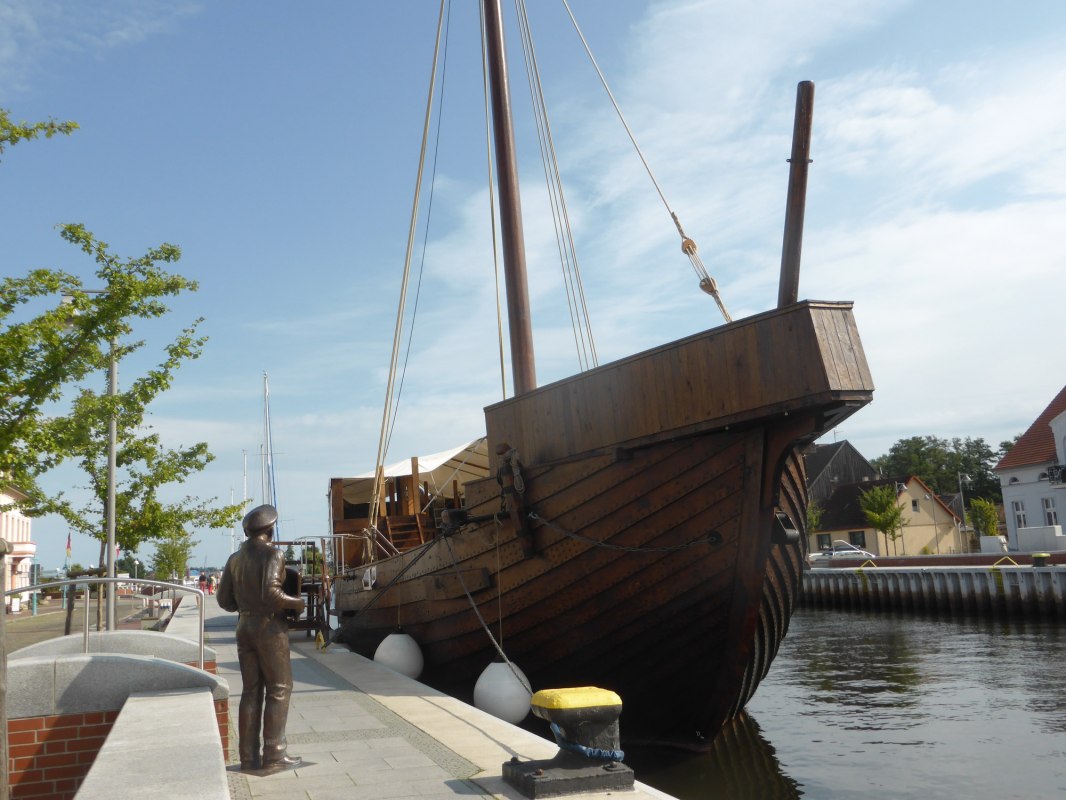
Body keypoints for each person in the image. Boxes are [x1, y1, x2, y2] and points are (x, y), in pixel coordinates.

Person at [217, 504, 305, 771]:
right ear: (270, 529)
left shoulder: (235, 559)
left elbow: (223, 600)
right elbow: (272, 594)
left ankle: (248, 756)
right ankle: (274, 754)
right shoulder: (274, 554)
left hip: (244, 626)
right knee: (279, 689)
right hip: (269, 629)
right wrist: (297, 603)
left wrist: (245, 608)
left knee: (251, 691)